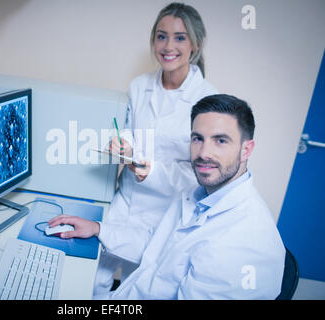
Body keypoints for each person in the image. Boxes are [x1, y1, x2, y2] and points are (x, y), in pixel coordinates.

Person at [49, 94, 286, 299]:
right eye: (197, 139)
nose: (204, 153)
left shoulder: (246, 242)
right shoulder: (197, 196)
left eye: (220, 141)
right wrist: (98, 229)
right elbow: (156, 246)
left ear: (247, 149)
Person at [96, 2, 218, 294]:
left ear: (195, 44)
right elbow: (130, 127)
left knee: (140, 289)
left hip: (166, 213)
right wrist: (123, 141)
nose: (168, 46)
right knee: (93, 278)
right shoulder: (139, 86)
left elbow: (200, 173)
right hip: (126, 201)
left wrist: (153, 172)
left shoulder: (209, 100)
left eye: (179, 37)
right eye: (161, 36)